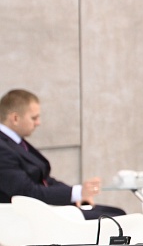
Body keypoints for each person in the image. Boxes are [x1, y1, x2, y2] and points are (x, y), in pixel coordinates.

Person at [0, 89, 125, 219]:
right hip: (25, 218)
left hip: (41, 209)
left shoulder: (15, 142)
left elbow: (45, 180)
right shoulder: (2, 148)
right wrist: (76, 192)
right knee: (116, 219)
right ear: (15, 118)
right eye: (34, 118)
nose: (38, 123)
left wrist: (78, 195)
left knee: (117, 213)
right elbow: (26, 192)